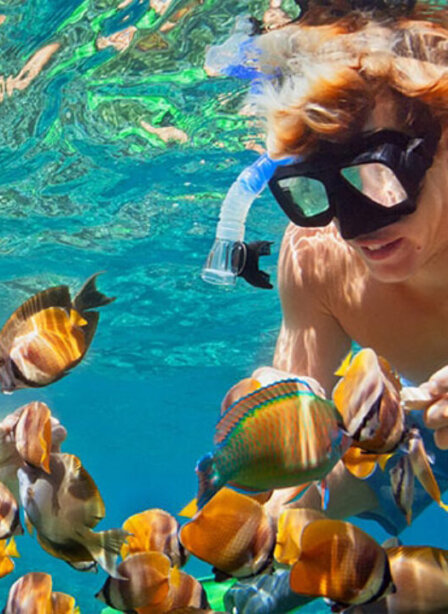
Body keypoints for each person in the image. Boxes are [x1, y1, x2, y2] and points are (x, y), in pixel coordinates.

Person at [224, 0, 448, 609]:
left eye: (377, 178)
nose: (352, 231)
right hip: (417, 445)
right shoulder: (315, 255)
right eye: (317, 192)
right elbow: (300, 463)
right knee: (266, 590)